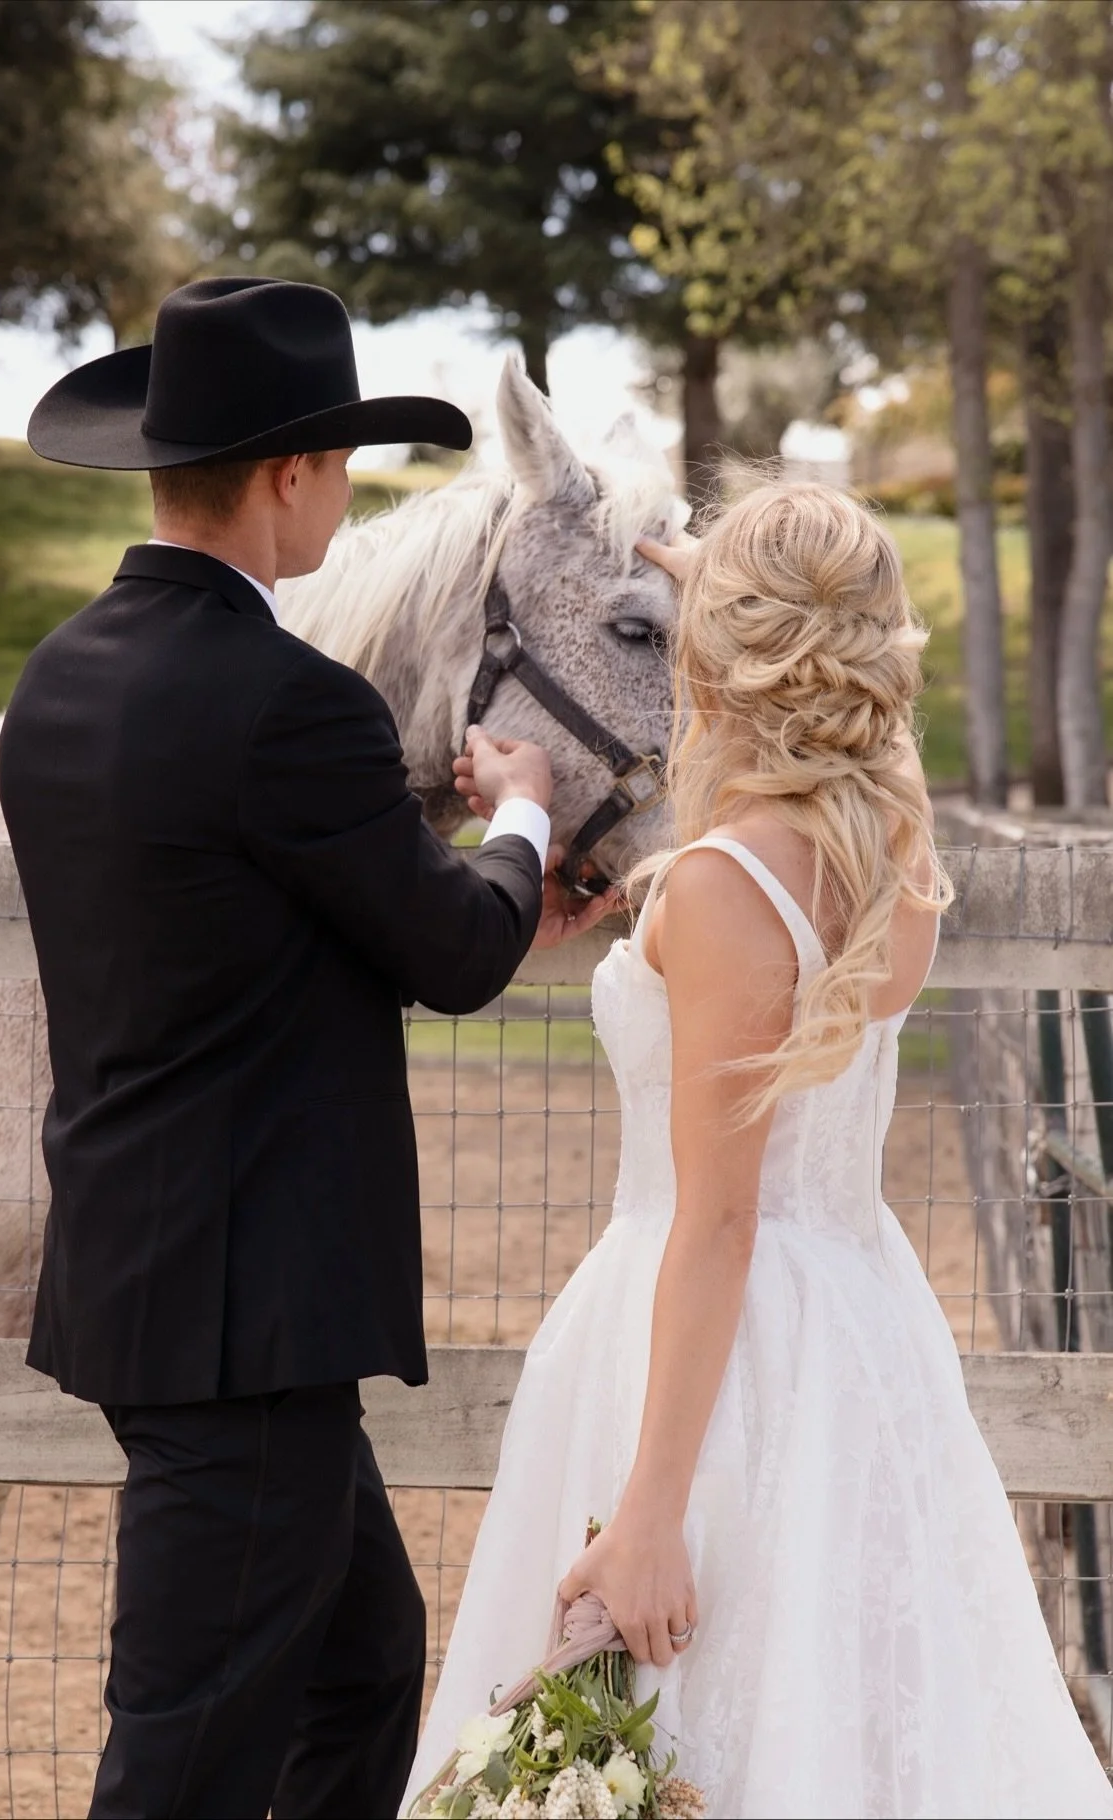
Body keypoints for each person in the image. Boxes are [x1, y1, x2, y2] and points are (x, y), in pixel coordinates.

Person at [0, 276, 611, 1820]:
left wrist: (435, 883)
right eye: (336, 461)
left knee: (360, 1661)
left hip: (153, 1280)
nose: (346, 491)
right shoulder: (291, 708)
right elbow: (461, 953)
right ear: (287, 478)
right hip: (250, 1317)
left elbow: (234, 929)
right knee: (185, 1752)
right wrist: (523, 812)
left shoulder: (59, 680)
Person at [408, 483, 1113, 1818]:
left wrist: (651, 1512)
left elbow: (720, 1221)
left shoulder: (729, 885)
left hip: (707, 1352)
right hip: (859, 1331)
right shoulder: (894, 848)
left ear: (717, 649)